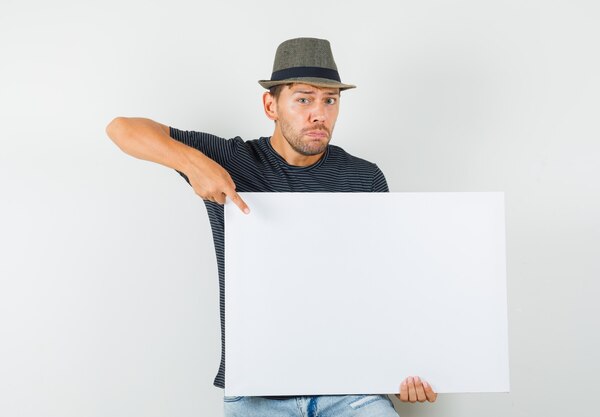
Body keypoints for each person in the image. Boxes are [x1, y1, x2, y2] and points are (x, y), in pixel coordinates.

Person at [106, 37, 437, 416]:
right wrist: (196, 165)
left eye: (330, 100)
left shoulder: (363, 177)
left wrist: (411, 364)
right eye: (304, 99)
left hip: (349, 387)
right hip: (256, 391)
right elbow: (122, 129)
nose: (319, 114)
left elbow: (386, 284)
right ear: (270, 105)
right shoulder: (234, 159)